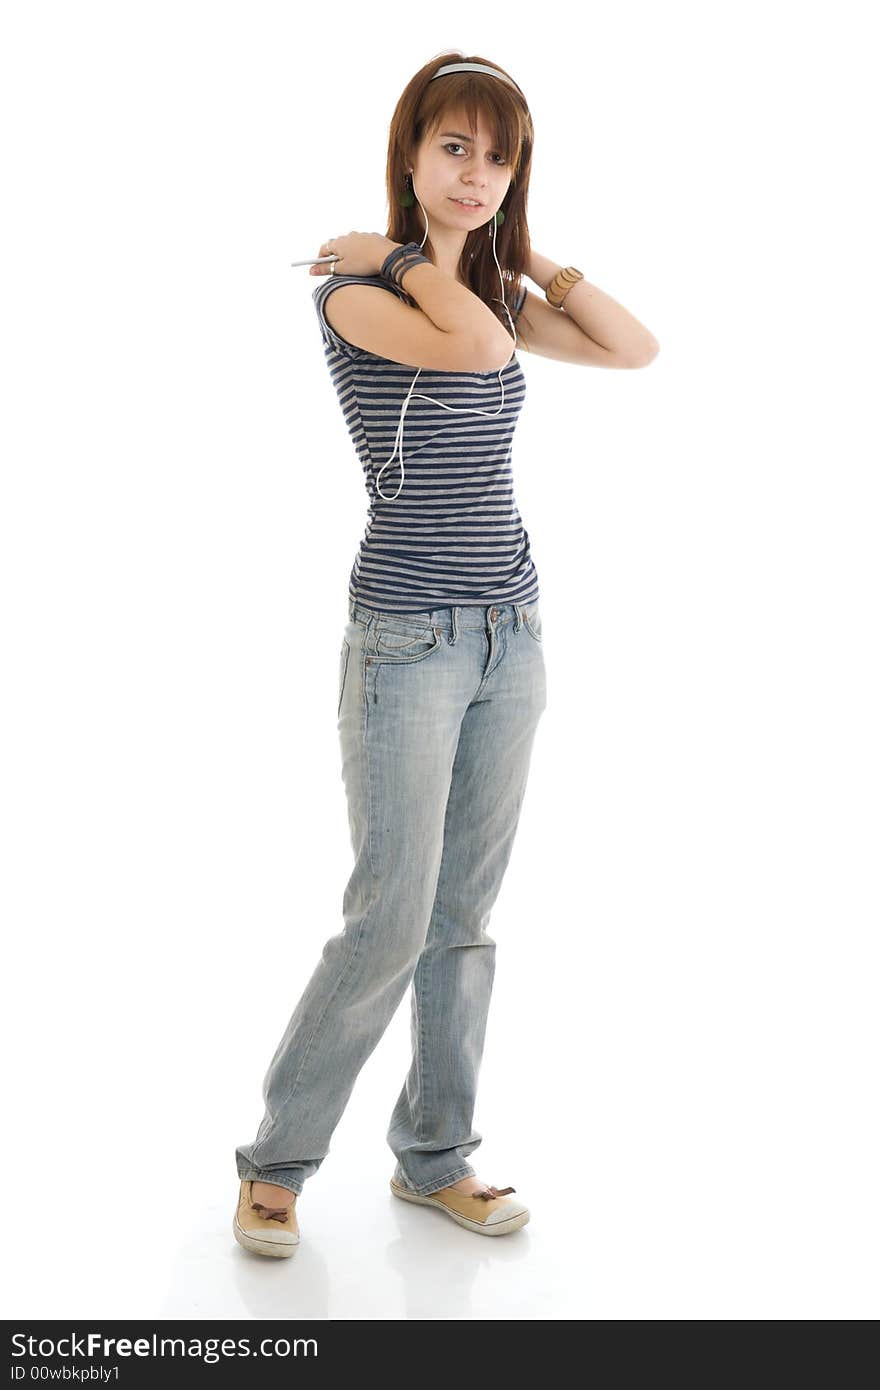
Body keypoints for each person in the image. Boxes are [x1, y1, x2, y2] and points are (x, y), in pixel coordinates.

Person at [233, 51, 658, 1258]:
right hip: (407, 641)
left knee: (463, 917)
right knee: (389, 915)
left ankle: (434, 1159)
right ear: (411, 157)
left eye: (498, 155)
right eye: (454, 148)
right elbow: (467, 351)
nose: (475, 173)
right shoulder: (350, 294)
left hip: (509, 635)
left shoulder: (487, 296)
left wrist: (526, 256)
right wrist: (406, 257)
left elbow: (633, 349)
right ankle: (277, 1160)